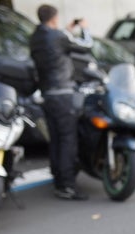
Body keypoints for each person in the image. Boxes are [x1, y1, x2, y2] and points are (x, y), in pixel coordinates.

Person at [29, 4, 92, 200]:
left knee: (55, 139)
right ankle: (67, 186)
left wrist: (68, 29)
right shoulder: (57, 36)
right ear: (54, 19)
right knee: (68, 141)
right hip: (63, 93)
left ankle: (57, 179)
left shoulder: (36, 38)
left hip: (47, 94)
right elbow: (86, 46)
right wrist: (85, 28)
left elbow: (58, 42)